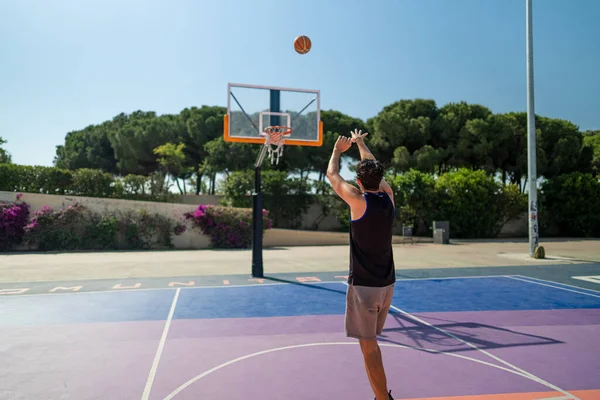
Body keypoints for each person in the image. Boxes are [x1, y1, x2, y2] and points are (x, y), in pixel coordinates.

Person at [326, 129, 396, 400]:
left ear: (358, 181)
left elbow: (332, 175)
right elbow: (374, 170)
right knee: (370, 344)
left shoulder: (358, 200)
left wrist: (337, 150)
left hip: (364, 288)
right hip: (387, 286)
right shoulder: (388, 198)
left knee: (369, 348)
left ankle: (383, 398)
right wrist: (361, 144)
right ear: (380, 180)